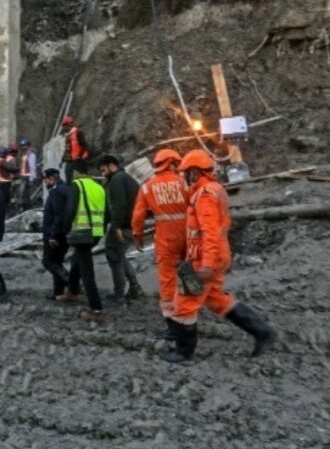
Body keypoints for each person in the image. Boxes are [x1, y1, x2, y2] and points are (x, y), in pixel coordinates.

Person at [163, 149, 277, 363]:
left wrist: (206, 264)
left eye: (185, 173)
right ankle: (262, 331)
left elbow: (209, 232)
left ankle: (184, 351)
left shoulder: (205, 195)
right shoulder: (213, 190)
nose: (184, 178)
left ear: (195, 172)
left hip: (206, 259)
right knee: (215, 299)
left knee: (184, 302)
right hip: (214, 256)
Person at [132, 149, 189, 337]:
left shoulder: (148, 187)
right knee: (190, 276)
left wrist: (138, 235)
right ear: (172, 163)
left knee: (167, 280)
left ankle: (172, 324)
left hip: (166, 238)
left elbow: (138, 215)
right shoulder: (185, 182)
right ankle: (190, 315)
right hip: (190, 236)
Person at [63, 160, 108, 323]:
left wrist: (65, 229)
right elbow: (107, 212)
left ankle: (96, 309)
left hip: (82, 232)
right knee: (78, 260)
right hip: (96, 233)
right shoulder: (99, 187)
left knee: (87, 271)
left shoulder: (78, 185)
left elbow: (70, 209)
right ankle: (73, 291)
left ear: (75, 172)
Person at [99, 154, 145, 304]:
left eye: (103, 169)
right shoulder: (124, 178)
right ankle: (135, 288)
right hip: (131, 224)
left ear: (112, 165)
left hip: (124, 225)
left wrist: (116, 226)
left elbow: (119, 204)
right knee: (119, 254)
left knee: (113, 254)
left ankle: (119, 293)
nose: (102, 172)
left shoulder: (117, 179)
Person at [40, 168, 72, 301]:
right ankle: (58, 292)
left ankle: (71, 282)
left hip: (55, 234)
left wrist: (53, 235)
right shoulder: (65, 189)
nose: (46, 183)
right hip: (62, 232)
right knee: (57, 261)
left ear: (52, 179)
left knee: (48, 261)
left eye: (46, 180)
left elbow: (59, 215)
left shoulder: (57, 192)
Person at [61, 115, 90, 182]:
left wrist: (79, 156)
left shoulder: (78, 132)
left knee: (79, 179)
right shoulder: (68, 136)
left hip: (78, 162)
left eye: (64, 126)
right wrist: (62, 160)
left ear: (68, 125)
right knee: (69, 179)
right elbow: (67, 149)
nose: (63, 128)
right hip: (70, 161)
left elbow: (84, 145)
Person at [18, 138, 39, 210]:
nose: (23, 147)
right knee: (23, 194)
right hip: (23, 176)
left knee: (24, 193)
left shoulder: (31, 155)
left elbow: (32, 167)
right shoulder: (24, 155)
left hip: (27, 176)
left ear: (28, 146)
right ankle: (25, 208)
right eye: (22, 146)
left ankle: (27, 207)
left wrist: (31, 179)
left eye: (25, 145)